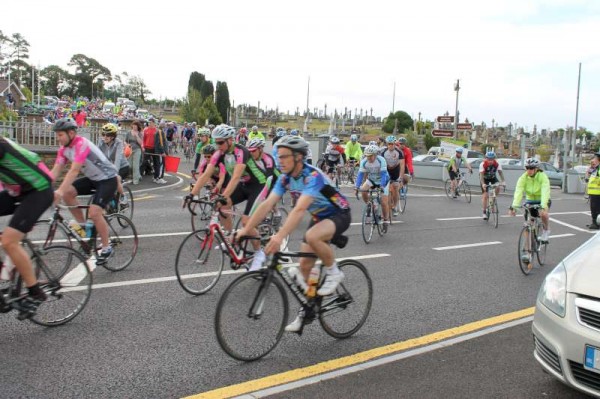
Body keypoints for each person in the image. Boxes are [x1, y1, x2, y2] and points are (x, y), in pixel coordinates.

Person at [236, 135, 350, 332]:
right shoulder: (285, 178)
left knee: (314, 237)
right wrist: (246, 230)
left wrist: (279, 237)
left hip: (339, 212)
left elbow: (298, 210)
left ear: (298, 157)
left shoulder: (312, 176)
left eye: (284, 156)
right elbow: (267, 204)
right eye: (278, 156)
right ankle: (307, 311)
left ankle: (334, 272)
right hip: (318, 217)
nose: (279, 160)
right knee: (304, 266)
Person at [186, 124, 268, 271]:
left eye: (220, 142)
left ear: (230, 140)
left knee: (246, 222)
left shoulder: (241, 151)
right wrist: (192, 194)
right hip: (244, 185)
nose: (218, 146)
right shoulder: (219, 153)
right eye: (216, 142)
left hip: (258, 185)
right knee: (221, 206)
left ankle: (259, 253)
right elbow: (205, 174)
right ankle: (231, 237)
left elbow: (235, 177)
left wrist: (223, 195)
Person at [50, 118, 119, 264]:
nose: (58, 138)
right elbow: (55, 171)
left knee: (94, 213)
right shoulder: (64, 149)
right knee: (69, 192)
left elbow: (74, 170)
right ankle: (84, 228)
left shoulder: (81, 144)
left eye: (60, 135)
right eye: (57, 135)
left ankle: (106, 247)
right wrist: (43, 188)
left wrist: (59, 192)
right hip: (93, 178)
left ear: (71, 133)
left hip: (108, 179)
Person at [0, 137, 54, 317]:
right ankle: (6, 273)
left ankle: (35, 291)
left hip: (38, 189)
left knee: (9, 241)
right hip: (17, 189)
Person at [509, 158, 552, 242]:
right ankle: (528, 251)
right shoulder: (523, 178)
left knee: (543, 214)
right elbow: (518, 191)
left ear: (536, 169)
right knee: (528, 224)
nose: (529, 170)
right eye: (527, 168)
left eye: (531, 168)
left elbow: (545, 191)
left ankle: (546, 230)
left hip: (542, 199)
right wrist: (514, 207)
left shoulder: (542, 176)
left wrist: (543, 206)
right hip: (530, 200)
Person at [355, 144, 391, 224]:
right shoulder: (364, 161)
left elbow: (383, 174)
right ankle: (370, 205)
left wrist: (382, 186)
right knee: (363, 190)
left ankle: (385, 220)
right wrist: (356, 187)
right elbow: (360, 175)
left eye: (370, 156)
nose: (368, 158)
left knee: (384, 202)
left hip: (383, 180)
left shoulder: (381, 160)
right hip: (372, 179)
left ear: (375, 155)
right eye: (367, 156)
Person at [98, 123, 130, 205]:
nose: (104, 137)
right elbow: (97, 156)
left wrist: (114, 172)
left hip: (123, 167)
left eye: (107, 135)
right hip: (110, 167)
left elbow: (118, 159)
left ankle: (123, 196)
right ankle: (111, 201)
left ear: (113, 136)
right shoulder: (101, 142)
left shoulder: (118, 143)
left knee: (116, 178)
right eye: (103, 134)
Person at [380, 136, 404, 217]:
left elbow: (402, 165)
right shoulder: (383, 152)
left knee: (395, 187)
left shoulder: (399, 152)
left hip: (396, 170)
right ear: (387, 144)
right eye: (389, 144)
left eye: (392, 144)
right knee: (385, 187)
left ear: (395, 144)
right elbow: (380, 165)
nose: (391, 146)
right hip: (386, 170)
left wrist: (400, 177)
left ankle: (395, 206)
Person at [479, 151, 505, 220]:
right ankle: (484, 212)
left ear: (494, 159)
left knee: (498, 187)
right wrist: (483, 184)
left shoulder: (497, 164)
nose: (490, 161)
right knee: (485, 196)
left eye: (492, 159)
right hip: (485, 179)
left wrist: (503, 181)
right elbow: (481, 176)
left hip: (493, 178)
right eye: (489, 159)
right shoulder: (483, 164)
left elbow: (500, 173)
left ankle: (492, 202)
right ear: (486, 158)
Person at [125, 120, 144, 185]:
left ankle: (135, 180)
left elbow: (141, 143)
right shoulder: (128, 133)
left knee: (135, 165)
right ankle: (138, 175)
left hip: (137, 150)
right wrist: (127, 145)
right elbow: (125, 141)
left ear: (138, 127)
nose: (134, 127)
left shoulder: (140, 133)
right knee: (129, 165)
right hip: (129, 150)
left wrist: (137, 136)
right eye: (133, 125)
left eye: (136, 126)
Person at [585, 152, 600, 230]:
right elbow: (589, 176)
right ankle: (595, 223)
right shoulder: (596, 168)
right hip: (594, 193)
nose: (593, 160)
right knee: (595, 209)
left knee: (595, 210)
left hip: (597, 193)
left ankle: (596, 224)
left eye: (595, 158)